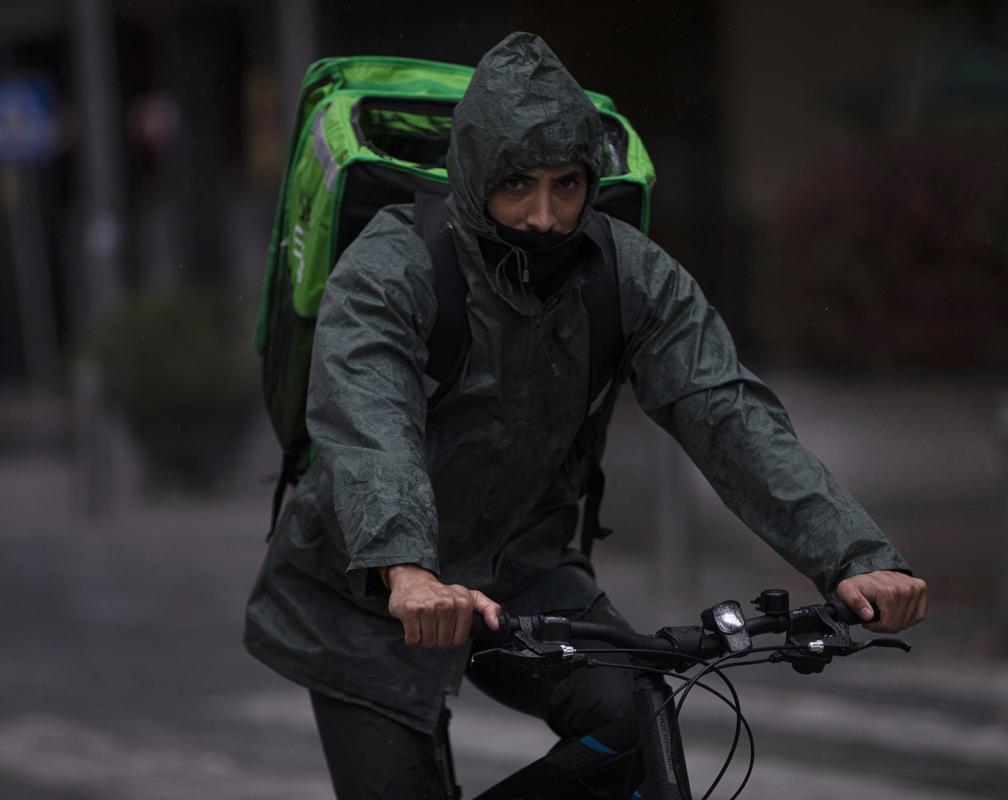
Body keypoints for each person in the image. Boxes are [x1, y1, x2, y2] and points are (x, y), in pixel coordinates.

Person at [245, 31, 927, 798]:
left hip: (524, 578)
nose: (545, 217)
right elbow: (370, 420)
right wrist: (407, 568)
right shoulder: (390, 268)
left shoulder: (626, 272)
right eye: (518, 187)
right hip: (365, 596)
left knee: (633, 717)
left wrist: (856, 554)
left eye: (567, 185)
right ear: (473, 179)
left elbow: (727, 412)